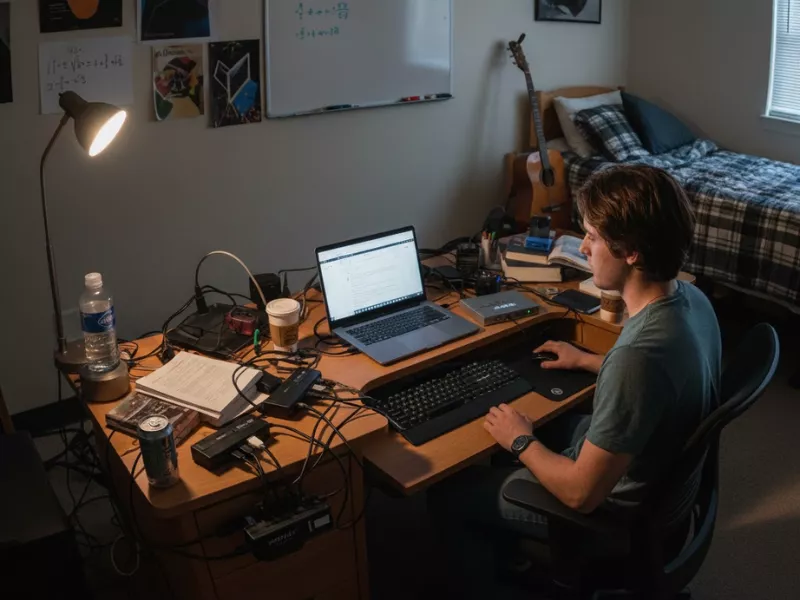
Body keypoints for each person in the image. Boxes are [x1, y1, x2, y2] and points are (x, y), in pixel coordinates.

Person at [427, 165, 721, 597]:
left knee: (450, 493)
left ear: (630, 251)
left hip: (612, 512)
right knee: (542, 421)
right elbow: (662, 380)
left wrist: (520, 441)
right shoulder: (691, 300)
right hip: (660, 479)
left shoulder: (637, 360)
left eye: (593, 237)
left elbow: (581, 494)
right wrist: (591, 360)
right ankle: (513, 555)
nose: (583, 248)